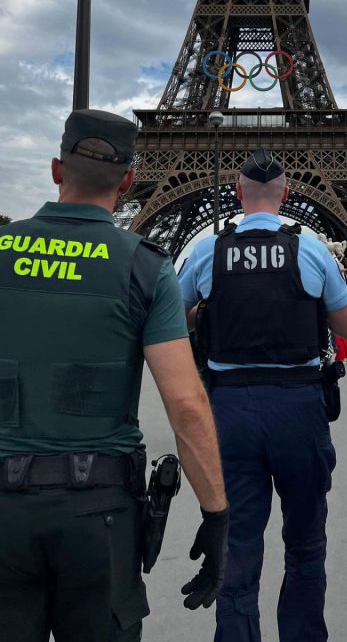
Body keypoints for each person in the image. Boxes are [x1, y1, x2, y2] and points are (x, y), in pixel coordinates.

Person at [0, 109, 229, 642]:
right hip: (98, 513)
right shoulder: (144, 266)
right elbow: (186, 404)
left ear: (57, 169)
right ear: (128, 181)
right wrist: (216, 513)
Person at [179, 149, 347, 642]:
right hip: (298, 407)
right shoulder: (312, 250)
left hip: (230, 411)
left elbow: (171, 315)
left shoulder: (209, 251)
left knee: (237, 546)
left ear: (238, 192)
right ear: (287, 193)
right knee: (305, 545)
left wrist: (207, 314)